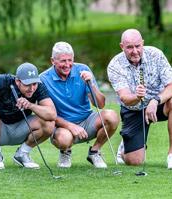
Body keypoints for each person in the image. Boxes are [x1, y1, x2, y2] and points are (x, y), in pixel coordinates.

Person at [107, 29, 172, 170]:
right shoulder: (115, 65)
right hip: (133, 109)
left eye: (138, 46)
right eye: (129, 47)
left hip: (159, 104)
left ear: (142, 43)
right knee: (134, 161)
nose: (135, 51)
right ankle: (125, 147)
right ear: (122, 47)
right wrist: (137, 96)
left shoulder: (156, 55)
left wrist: (155, 100)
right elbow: (125, 98)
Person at [40, 41, 119, 169]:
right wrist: (70, 126)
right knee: (64, 139)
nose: (67, 65)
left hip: (86, 120)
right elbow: (48, 115)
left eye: (70, 60)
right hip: (62, 126)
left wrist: (91, 83)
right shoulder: (43, 79)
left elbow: (100, 104)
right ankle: (65, 152)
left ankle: (95, 152)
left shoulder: (83, 69)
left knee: (112, 116)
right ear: (52, 61)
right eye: (63, 61)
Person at [0, 62, 56, 169]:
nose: (32, 88)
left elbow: (52, 114)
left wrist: (30, 105)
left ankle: (22, 154)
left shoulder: (38, 87)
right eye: (27, 84)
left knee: (49, 123)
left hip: (21, 128)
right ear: (17, 81)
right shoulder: (5, 81)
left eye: (34, 84)